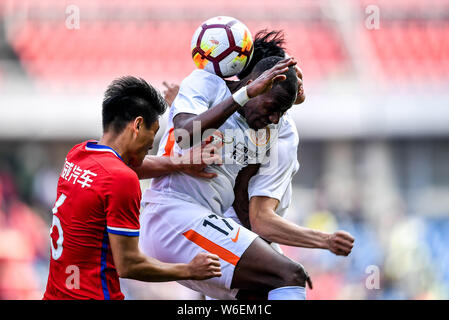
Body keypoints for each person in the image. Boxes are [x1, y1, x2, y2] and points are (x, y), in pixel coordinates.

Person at [139, 55, 318, 300]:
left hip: (202, 223)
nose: (274, 118)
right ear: (256, 81)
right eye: (272, 107)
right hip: (175, 217)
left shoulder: (255, 127)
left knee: (259, 294)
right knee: (290, 275)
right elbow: (184, 134)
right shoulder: (204, 87)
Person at [43, 76, 221, 300]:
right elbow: (129, 264)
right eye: (153, 132)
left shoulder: (78, 155)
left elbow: (125, 168)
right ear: (137, 125)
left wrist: (180, 163)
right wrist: (189, 270)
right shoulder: (121, 179)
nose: (151, 143)